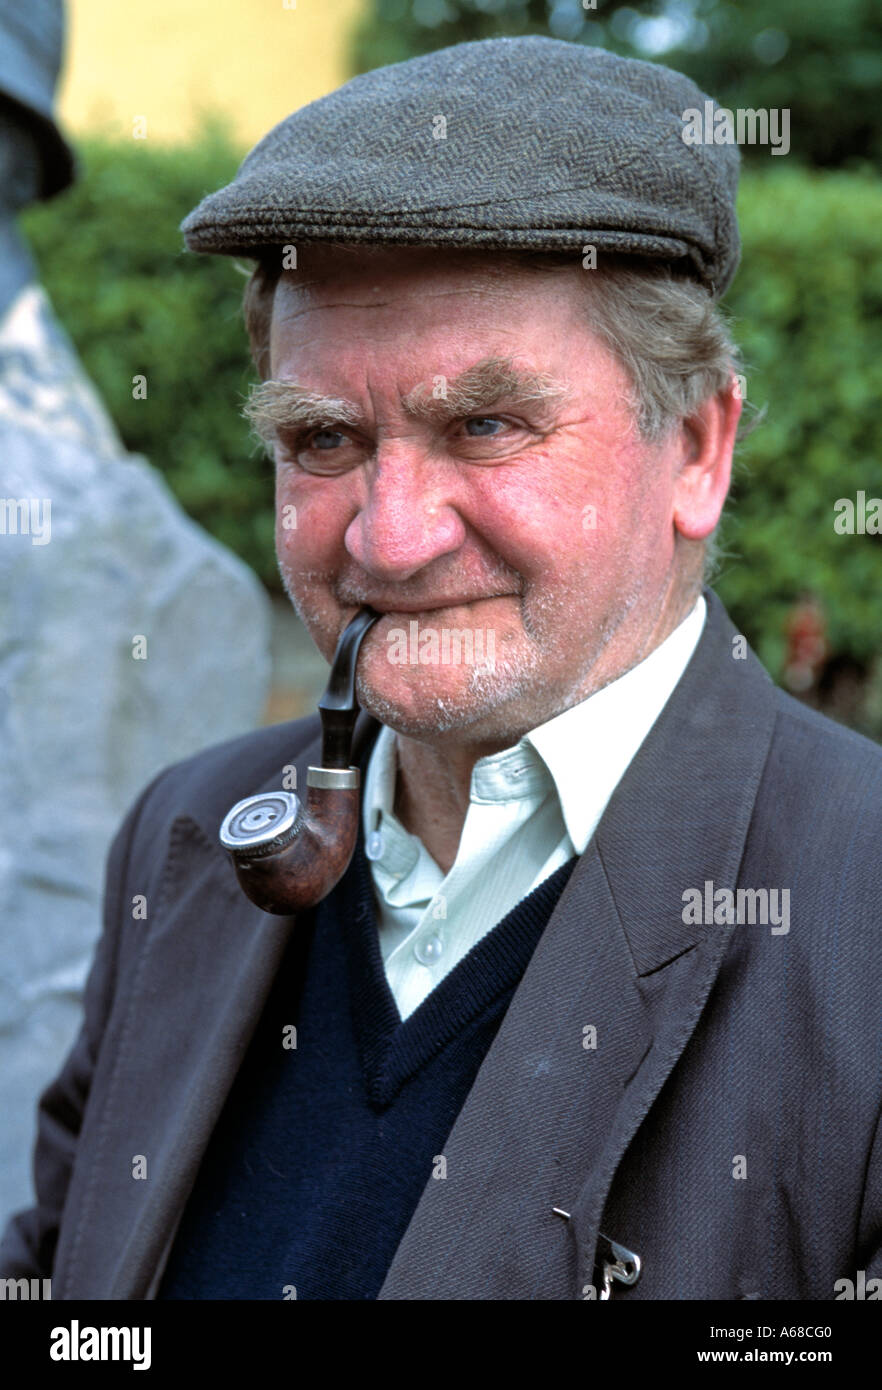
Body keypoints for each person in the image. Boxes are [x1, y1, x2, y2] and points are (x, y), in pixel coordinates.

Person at [1, 35, 880, 1302]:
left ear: (696, 446)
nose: (388, 536)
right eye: (321, 437)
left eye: (486, 424)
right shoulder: (186, 843)